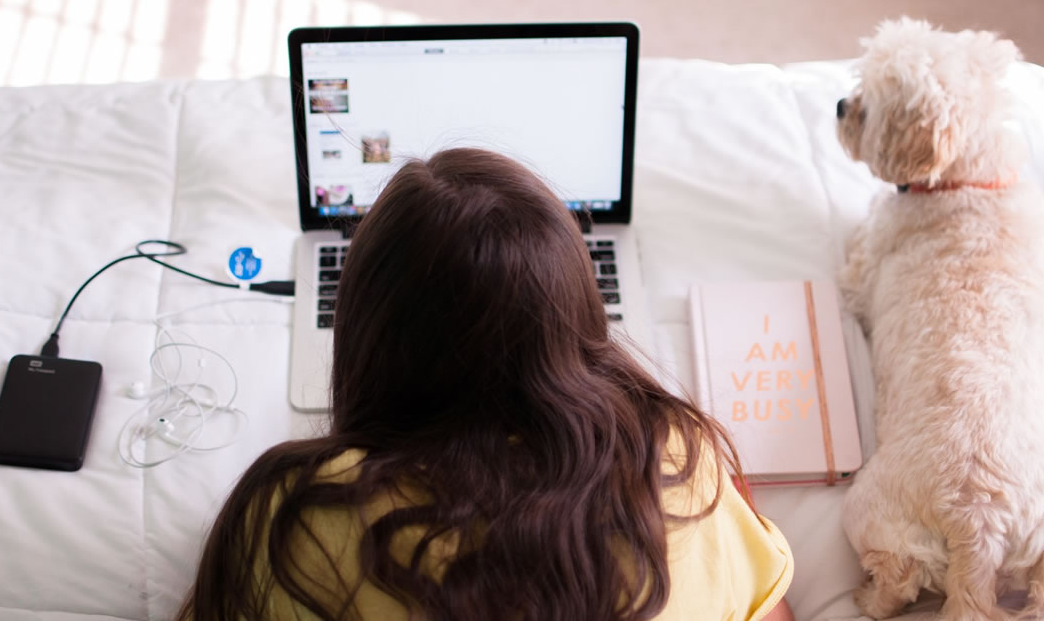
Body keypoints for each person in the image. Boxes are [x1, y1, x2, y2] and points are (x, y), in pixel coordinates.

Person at [179, 148, 795, 621]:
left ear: (369, 335)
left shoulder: (294, 515)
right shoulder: (678, 462)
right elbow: (766, 606)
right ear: (577, 314)